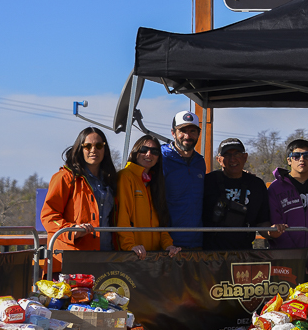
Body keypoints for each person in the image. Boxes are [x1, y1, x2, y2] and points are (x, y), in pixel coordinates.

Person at [41, 127, 117, 270]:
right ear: (80, 149)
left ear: (105, 150)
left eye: (99, 145)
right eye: (87, 146)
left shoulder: (111, 180)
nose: (93, 150)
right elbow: (49, 216)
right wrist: (72, 230)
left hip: (108, 256)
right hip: (73, 259)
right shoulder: (65, 177)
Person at [268, 138, 308, 278]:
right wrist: (295, 259)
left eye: (307, 155)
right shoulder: (275, 188)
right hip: (286, 263)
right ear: (289, 160)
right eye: (296, 156)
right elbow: (275, 225)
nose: (301, 159)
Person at [203, 137, 284, 251]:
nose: (232, 159)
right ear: (219, 160)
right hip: (210, 255)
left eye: (237, 154)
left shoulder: (256, 185)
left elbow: (262, 222)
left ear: (245, 157)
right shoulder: (207, 182)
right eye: (227, 155)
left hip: (244, 255)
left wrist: (272, 232)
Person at [115, 135, 181, 259]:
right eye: (144, 150)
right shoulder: (125, 176)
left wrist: (168, 246)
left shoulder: (155, 182)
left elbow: (161, 222)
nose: (149, 154)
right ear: (135, 152)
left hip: (154, 257)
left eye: (154, 152)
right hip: (133, 255)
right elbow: (122, 216)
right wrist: (129, 246)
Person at [161, 111, 206, 249]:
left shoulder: (200, 162)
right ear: (173, 133)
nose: (188, 136)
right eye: (182, 131)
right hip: (167, 244)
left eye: (193, 131)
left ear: (199, 134)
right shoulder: (161, 158)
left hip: (196, 242)